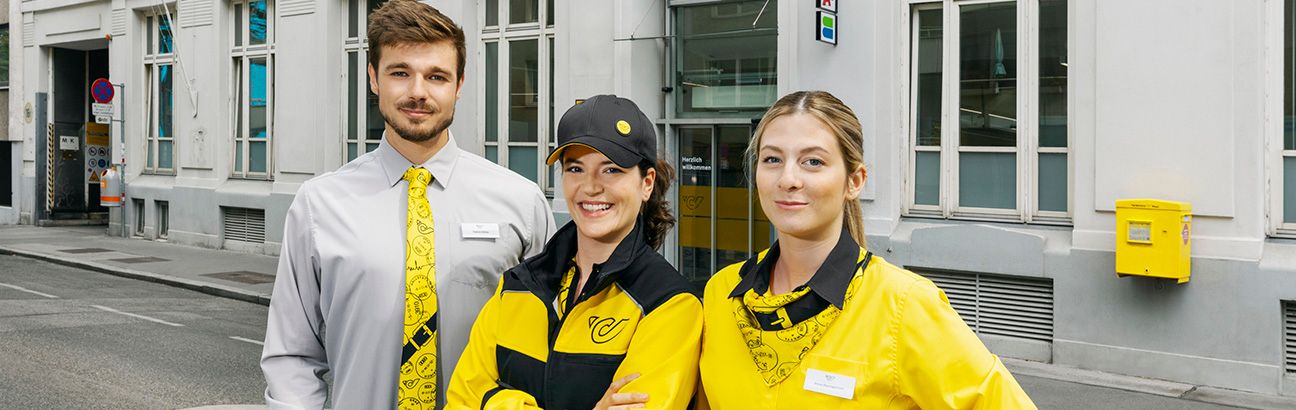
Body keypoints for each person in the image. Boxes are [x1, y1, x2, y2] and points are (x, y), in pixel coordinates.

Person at [260, 1, 556, 408]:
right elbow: (292, 353)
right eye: (400, 73)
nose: (418, 92)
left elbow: (550, 343)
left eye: (436, 76)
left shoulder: (521, 204)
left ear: (459, 84)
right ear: (373, 78)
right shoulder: (319, 206)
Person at [697, 91, 1036, 409]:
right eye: (772, 159)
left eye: (812, 162)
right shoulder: (721, 294)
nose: (787, 178)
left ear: (854, 181)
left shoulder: (903, 305)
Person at [447, 95, 702, 410]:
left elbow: (477, 397)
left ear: (646, 183)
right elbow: (460, 398)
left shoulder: (669, 305)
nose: (591, 186)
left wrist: (497, 399)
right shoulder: (518, 285)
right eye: (576, 168)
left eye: (611, 170)